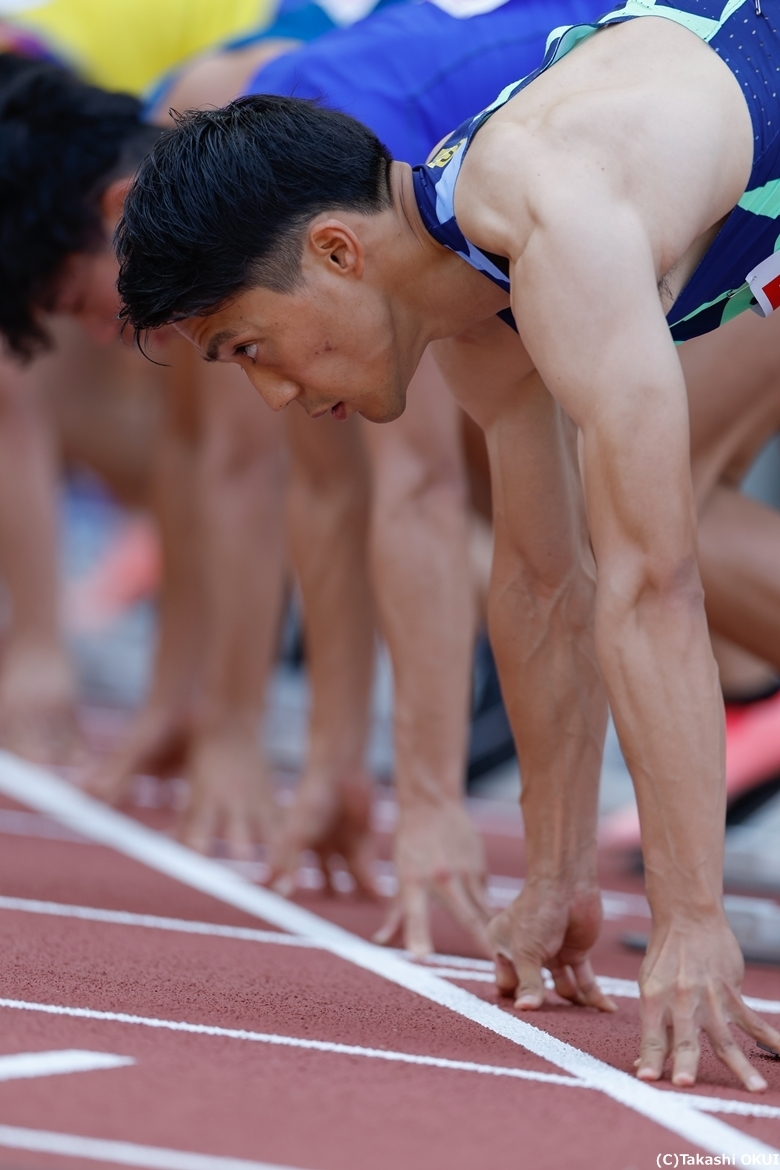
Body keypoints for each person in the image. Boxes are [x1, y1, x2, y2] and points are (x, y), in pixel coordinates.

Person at [116, 0, 780, 1090]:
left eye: (249, 349)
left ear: (336, 251)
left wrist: (691, 918)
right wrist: (559, 878)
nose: (275, 392)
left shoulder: (551, 220)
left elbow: (650, 587)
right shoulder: (478, 303)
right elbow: (541, 580)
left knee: (669, 528)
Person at [0, 0, 606, 951]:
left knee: (648, 528)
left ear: (113, 215)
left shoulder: (281, 161)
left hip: (712, 137)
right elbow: (299, 478)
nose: (97, 333)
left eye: (78, 304)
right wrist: (325, 762)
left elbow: (411, 490)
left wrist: (428, 802)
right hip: (598, 174)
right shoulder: (209, 169)